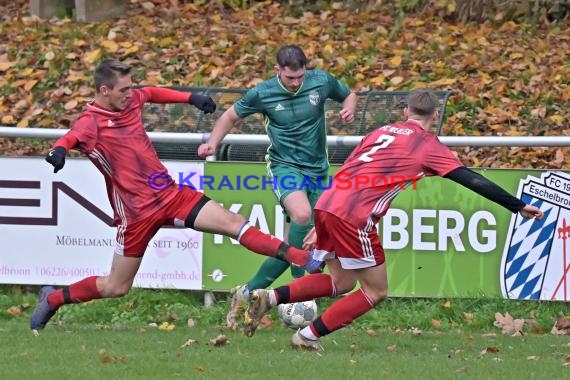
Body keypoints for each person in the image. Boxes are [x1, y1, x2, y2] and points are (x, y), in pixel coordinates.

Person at [30, 58, 322, 332]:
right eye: (123, 89)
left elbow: (152, 93)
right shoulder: (91, 122)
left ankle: (301, 258)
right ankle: (53, 299)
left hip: (170, 195)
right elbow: (71, 136)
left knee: (233, 222)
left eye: (131, 87)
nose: (130, 94)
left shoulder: (131, 100)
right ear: (104, 90)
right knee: (115, 287)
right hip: (136, 215)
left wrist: (190, 98)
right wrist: (58, 150)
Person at [241, 89, 545, 350]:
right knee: (375, 291)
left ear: (405, 111)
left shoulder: (380, 132)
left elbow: (349, 168)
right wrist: (516, 205)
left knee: (341, 281)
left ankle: (269, 297)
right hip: (354, 216)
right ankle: (307, 336)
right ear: (435, 115)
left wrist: (323, 220)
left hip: (329, 203)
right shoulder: (427, 145)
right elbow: (471, 180)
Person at [197, 45, 357, 330]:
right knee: (302, 215)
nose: (296, 83)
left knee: (298, 243)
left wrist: (348, 107)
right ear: (278, 71)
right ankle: (299, 289)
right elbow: (229, 117)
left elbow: (349, 95)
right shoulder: (263, 92)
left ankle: (247, 293)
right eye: (290, 78)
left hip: (319, 170)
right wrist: (213, 143)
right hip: (284, 166)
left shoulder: (321, 81)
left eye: (300, 77)